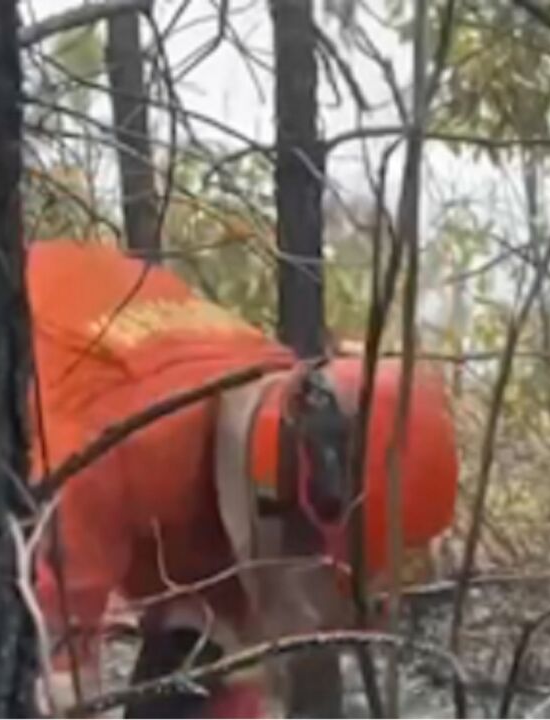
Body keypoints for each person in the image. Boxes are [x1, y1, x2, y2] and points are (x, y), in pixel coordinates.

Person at [26, 239, 459, 716]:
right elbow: (46, 669)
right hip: (11, 380)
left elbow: (234, 640)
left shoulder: (258, 390)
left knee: (208, 650)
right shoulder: (107, 449)